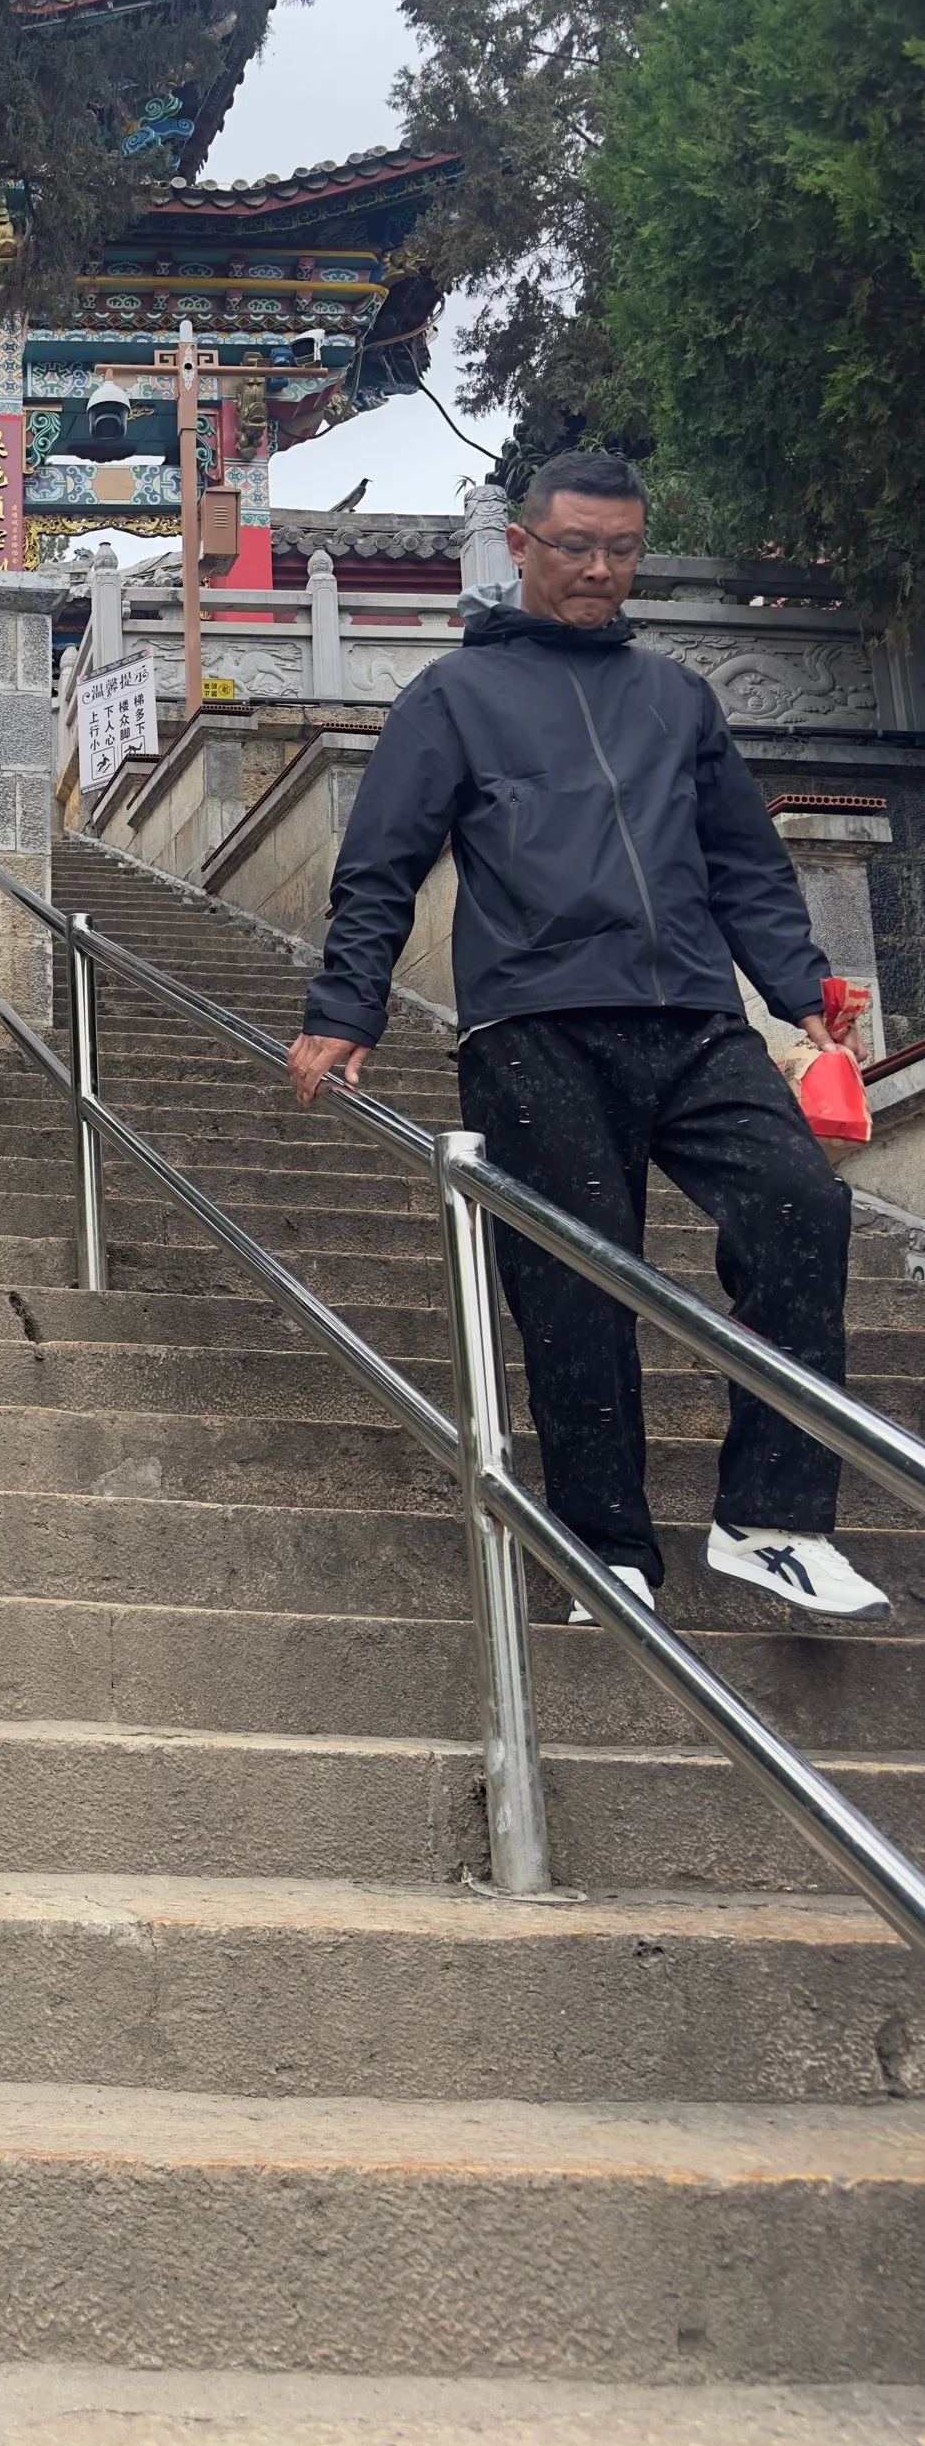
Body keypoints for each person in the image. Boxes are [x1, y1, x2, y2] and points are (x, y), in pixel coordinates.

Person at [286, 447, 883, 1623]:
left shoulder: (674, 698)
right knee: (575, 1278)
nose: (599, 572)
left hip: (696, 1021)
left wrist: (801, 987)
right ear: (521, 547)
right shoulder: (451, 698)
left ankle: (771, 1521)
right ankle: (603, 1545)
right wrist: (344, 1012)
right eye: (574, 548)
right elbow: (378, 867)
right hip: (534, 1025)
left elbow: (743, 863)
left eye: (619, 551)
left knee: (801, 1208)